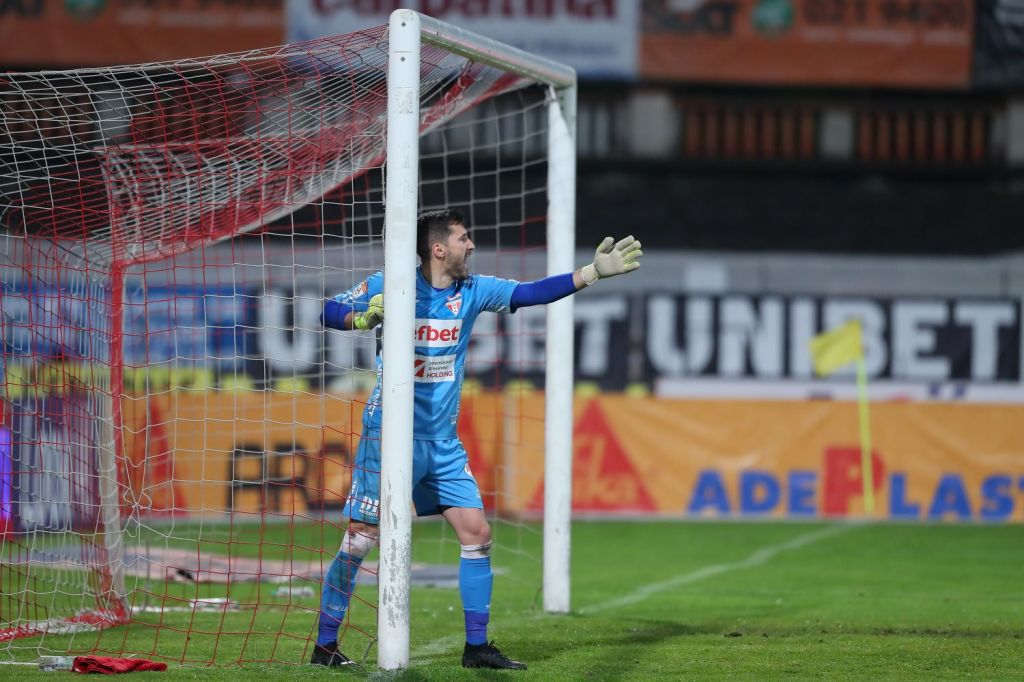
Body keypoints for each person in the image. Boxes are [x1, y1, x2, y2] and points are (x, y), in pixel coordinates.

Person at [312, 209, 642, 670]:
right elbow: (327, 310)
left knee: (477, 533)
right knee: (362, 538)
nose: (472, 245)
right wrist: (362, 319)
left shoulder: (473, 290)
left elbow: (529, 294)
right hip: (388, 436)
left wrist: (590, 274)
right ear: (439, 248)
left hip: (442, 443)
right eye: (464, 238)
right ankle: (324, 645)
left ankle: (476, 649)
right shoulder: (392, 282)